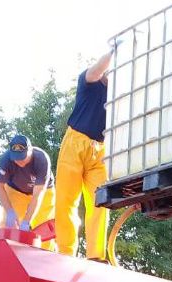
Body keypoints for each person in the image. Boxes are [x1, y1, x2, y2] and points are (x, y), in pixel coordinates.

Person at [54, 43, 118, 261]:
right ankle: (65, 251)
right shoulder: (88, 81)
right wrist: (113, 52)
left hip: (99, 150)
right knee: (66, 199)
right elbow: (97, 70)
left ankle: (96, 255)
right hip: (75, 143)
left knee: (100, 202)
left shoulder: (118, 95)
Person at [0, 134, 56, 250]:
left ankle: (45, 256)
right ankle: (5, 252)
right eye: (16, 157)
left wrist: (27, 221)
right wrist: (9, 211)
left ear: (30, 150)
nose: (19, 161)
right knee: (8, 226)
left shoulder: (41, 159)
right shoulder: (6, 160)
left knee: (44, 226)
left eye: (23, 157)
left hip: (43, 191)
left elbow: (38, 195)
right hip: (16, 190)